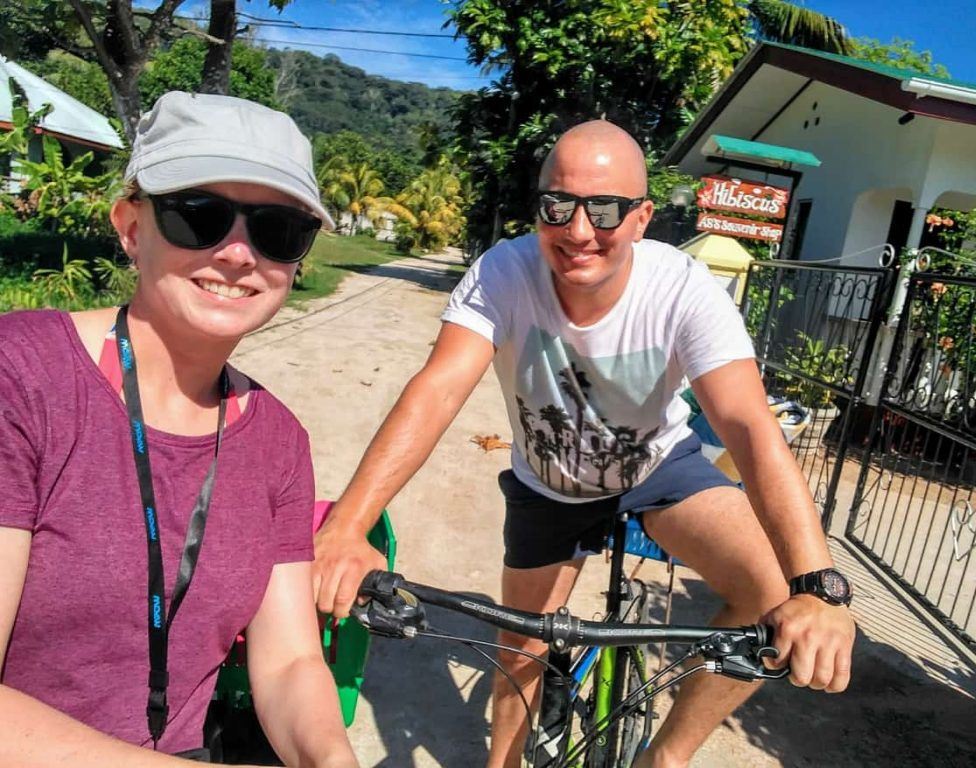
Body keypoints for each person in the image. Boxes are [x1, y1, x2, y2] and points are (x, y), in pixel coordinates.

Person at [312, 120, 856, 768]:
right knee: (522, 648)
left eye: (605, 209)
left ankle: (667, 758)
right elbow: (435, 391)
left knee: (768, 594)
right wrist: (349, 526)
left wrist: (816, 587)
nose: (578, 231)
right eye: (557, 206)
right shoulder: (504, 273)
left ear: (642, 216)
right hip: (549, 485)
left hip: (659, 470)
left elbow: (749, 425)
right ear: (537, 207)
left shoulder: (683, 289)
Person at [0, 91, 359, 768]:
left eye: (277, 230)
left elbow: (287, 662)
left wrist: (329, 758)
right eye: (200, 216)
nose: (237, 254)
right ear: (131, 226)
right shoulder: (22, 378)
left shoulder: (279, 441)